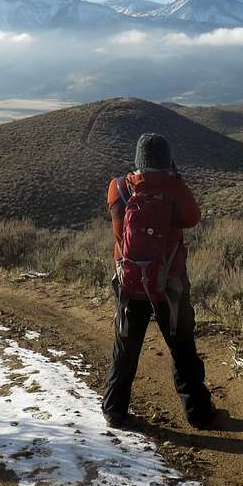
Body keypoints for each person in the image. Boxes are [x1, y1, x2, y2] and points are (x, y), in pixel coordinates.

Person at [102, 132, 216, 429]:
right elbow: (192, 218)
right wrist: (173, 184)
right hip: (170, 284)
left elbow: (115, 219)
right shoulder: (175, 188)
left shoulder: (118, 188)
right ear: (168, 159)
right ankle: (198, 414)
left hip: (129, 283)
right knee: (182, 347)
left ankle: (114, 411)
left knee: (125, 347)